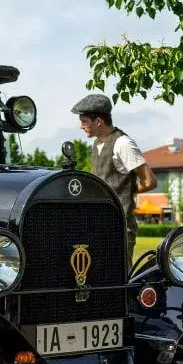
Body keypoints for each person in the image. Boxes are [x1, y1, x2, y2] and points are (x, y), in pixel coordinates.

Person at [71, 93, 157, 259]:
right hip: (98, 227)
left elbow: (149, 181)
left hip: (120, 228)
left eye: (84, 121)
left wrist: (126, 191)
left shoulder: (123, 144)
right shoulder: (97, 143)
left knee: (119, 274)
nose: (81, 126)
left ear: (98, 121)